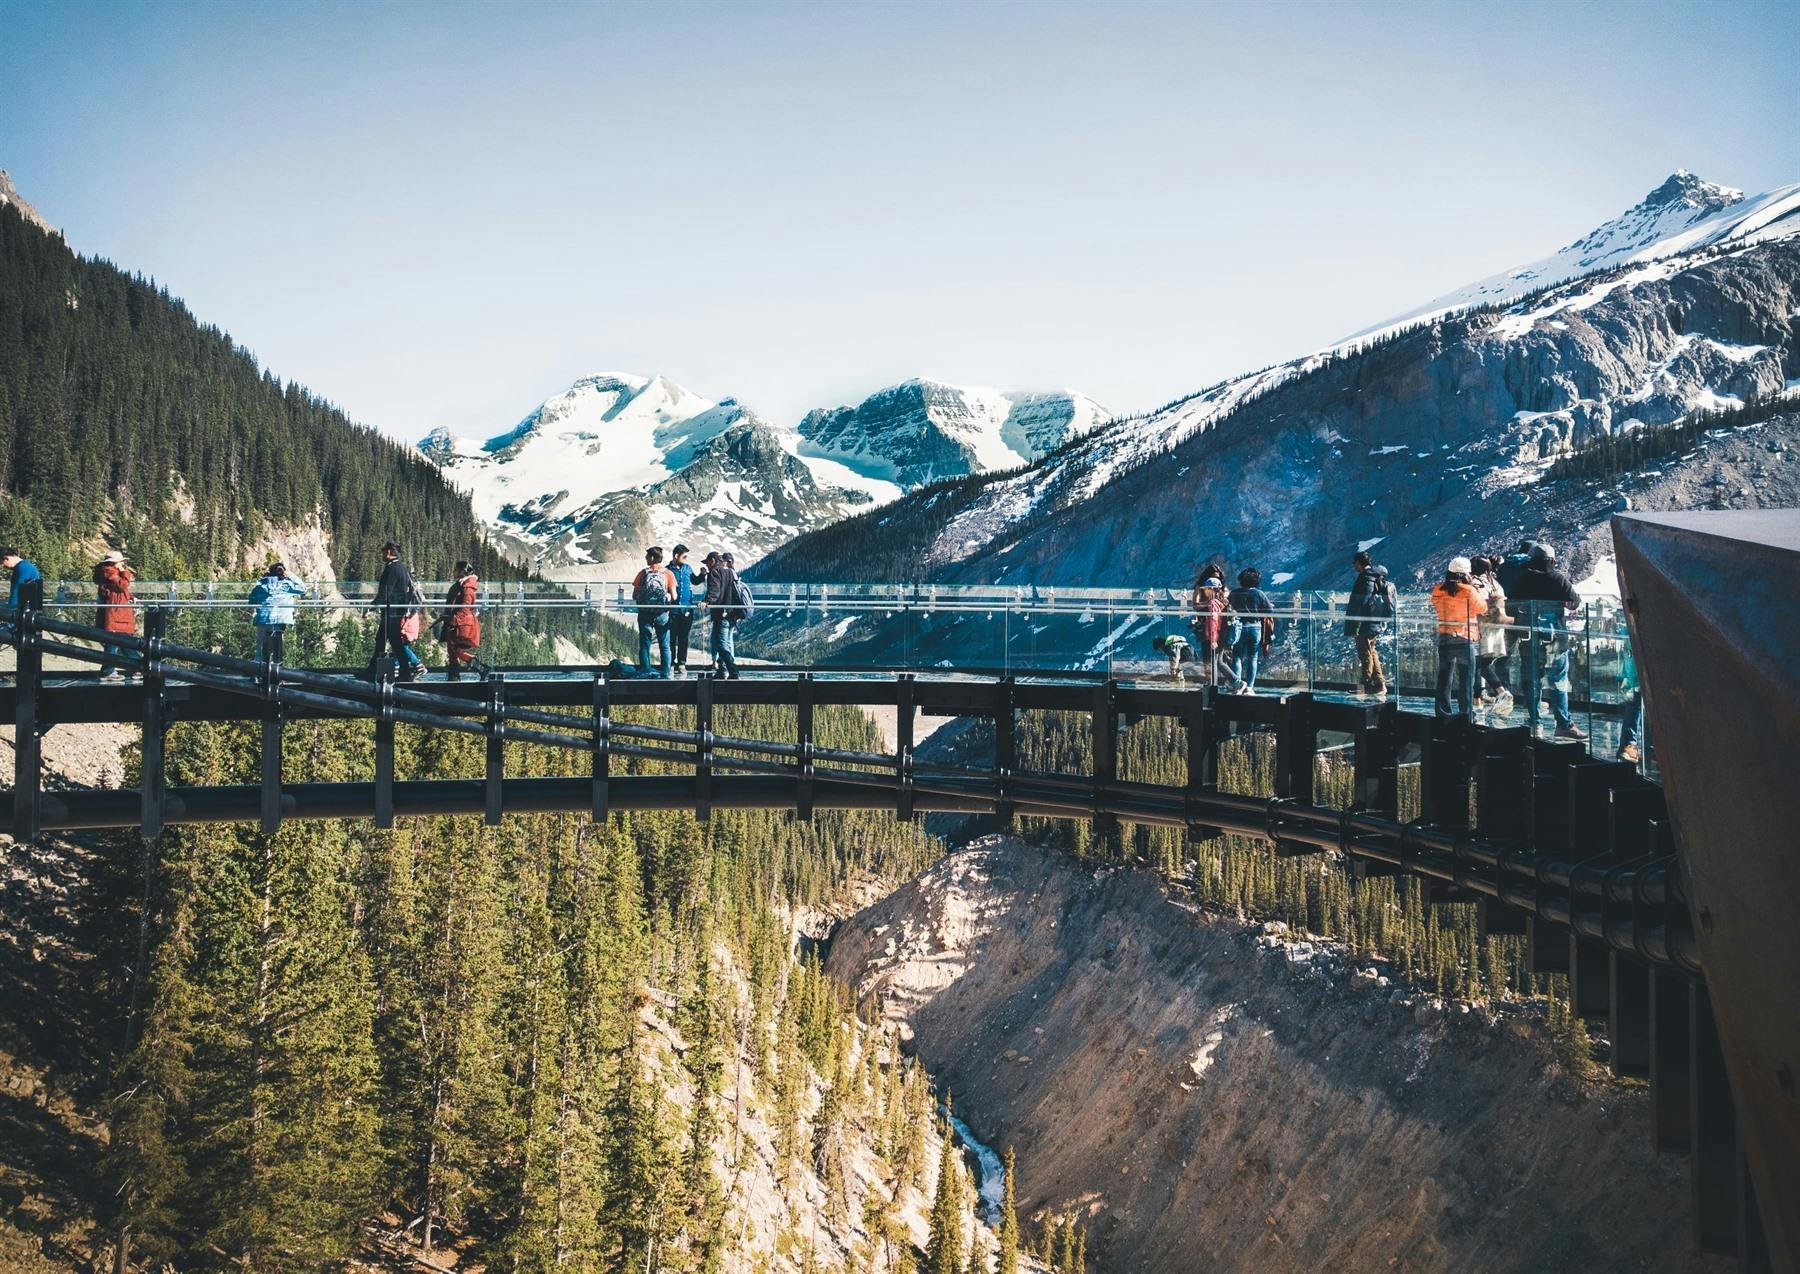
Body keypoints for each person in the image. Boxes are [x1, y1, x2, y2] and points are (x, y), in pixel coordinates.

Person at [1510, 542, 1586, 740]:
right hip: (1556, 639)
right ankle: (1563, 724)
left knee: (1532, 680)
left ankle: (1534, 723)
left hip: (1529, 638)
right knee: (1558, 681)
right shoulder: (1557, 579)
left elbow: (1511, 606)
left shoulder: (1522, 580)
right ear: (1551, 560)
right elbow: (1574, 602)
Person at [1430, 556, 1483, 719]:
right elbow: (1482, 608)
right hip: (1465, 637)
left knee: (1445, 677)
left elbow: (1437, 607)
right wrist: (1474, 587)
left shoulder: (1437, 589)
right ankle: (1466, 714)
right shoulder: (1469, 590)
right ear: (1466, 574)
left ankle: (1442, 713)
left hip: (1445, 636)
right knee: (1467, 678)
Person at [368, 540, 426, 681]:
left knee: (387, 641)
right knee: (389, 641)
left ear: (389, 551)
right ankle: (379, 670)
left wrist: (372, 607)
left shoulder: (392, 568)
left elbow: (386, 591)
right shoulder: (400, 567)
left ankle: (376, 671)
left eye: (383, 550)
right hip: (395, 611)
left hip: (391, 612)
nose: (381, 553)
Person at [1344, 550, 1394, 698]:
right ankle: (1379, 685)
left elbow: (1362, 602)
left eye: (1355, 563)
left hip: (1366, 623)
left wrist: (1356, 626)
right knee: (1371, 652)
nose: (1354, 566)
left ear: (1359, 563)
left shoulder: (1366, 578)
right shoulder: (1373, 577)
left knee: (1364, 653)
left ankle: (1365, 686)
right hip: (1373, 621)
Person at [1470, 555, 1513, 712]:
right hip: (1496, 629)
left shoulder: (1475, 584)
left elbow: (1477, 606)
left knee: (1476, 664)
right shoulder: (1495, 583)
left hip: (1481, 628)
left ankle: (1494, 694)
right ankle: (1483, 698)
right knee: (1485, 663)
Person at [1189, 571, 1241, 691]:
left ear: (1212, 589)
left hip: (1216, 637)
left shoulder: (1213, 603)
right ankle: (1234, 682)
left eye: (1207, 589)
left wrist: (1213, 639)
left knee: (1214, 662)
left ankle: (1216, 686)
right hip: (1223, 636)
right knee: (1219, 662)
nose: (1205, 591)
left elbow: (1213, 622)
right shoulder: (1223, 601)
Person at [1227, 567, 1275, 693]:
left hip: (1238, 628)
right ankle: (1249, 688)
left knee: (1237, 657)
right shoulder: (1259, 594)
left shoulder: (1234, 593)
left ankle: (1237, 685)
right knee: (1252, 658)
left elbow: (1228, 608)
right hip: (1255, 628)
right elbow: (1269, 611)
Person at [631, 545, 677, 678]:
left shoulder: (643, 573)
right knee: (665, 645)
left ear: (652, 557)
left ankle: (645, 670)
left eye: (647, 556)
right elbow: (674, 596)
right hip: (662, 614)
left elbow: (634, 595)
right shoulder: (668, 573)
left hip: (645, 613)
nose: (646, 558)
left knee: (645, 644)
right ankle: (666, 672)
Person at [248, 562, 308, 662]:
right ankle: (275, 671)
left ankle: (257, 672)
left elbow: (252, 600)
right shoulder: (287, 585)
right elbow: (303, 588)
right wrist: (290, 575)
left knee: (261, 647)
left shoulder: (260, 586)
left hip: (264, 618)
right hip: (280, 619)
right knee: (277, 647)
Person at [92, 550, 138, 680]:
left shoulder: (110, 574)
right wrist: (125, 572)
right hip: (116, 613)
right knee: (115, 642)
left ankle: (139, 667)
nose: (122, 565)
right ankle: (108, 671)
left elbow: (117, 592)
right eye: (121, 562)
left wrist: (131, 597)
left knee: (123, 643)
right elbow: (122, 585)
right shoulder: (111, 573)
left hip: (117, 613)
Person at [702, 550, 743, 679]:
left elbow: (714, 592)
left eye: (708, 563)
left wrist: (706, 601)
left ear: (713, 561)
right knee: (723, 642)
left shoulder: (715, 572)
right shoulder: (730, 572)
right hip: (731, 613)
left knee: (721, 643)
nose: (708, 566)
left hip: (721, 614)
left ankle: (732, 670)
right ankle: (721, 670)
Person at [440, 560, 481, 680]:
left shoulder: (467, 588)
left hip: (461, 624)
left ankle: (476, 666)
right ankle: (454, 676)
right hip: (456, 621)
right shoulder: (462, 585)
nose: (453, 572)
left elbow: (465, 607)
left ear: (462, 571)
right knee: (452, 649)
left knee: (454, 648)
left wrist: (454, 619)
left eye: (456, 570)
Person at [668, 544, 700, 675]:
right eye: (684, 556)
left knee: (683, 637)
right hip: (673, 609)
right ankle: (670, 663)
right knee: (671, 637)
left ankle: (682, 663)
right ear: (676, 555)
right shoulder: (668, 570)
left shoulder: (688, 568)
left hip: (687, 608)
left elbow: (695, 581)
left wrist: (702, 576)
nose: (686, 559)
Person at [1618, 630, 1645, 765]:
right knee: (1635, 708)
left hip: (1633, 675)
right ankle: (1629, 747)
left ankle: (1628, 747)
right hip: (1636, 676)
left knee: (1634, 708)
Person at [1, 547, 42, 626]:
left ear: (6, 558)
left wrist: (10, 614)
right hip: (23, 610)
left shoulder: (23, 568)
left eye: (2, 563)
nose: (3, 567)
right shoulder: (22, 567)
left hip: (23, 612)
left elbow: (17, 592)